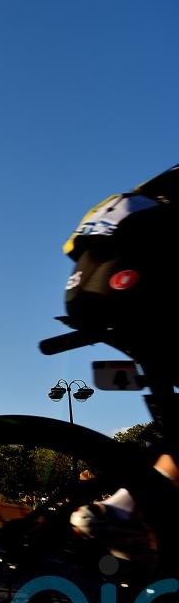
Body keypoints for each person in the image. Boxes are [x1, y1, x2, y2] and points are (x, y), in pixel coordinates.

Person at [64, 163, 179, 562]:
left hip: (98, 291)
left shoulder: (155, 191)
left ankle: (134, 510)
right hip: (142, 292)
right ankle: (125, 509)